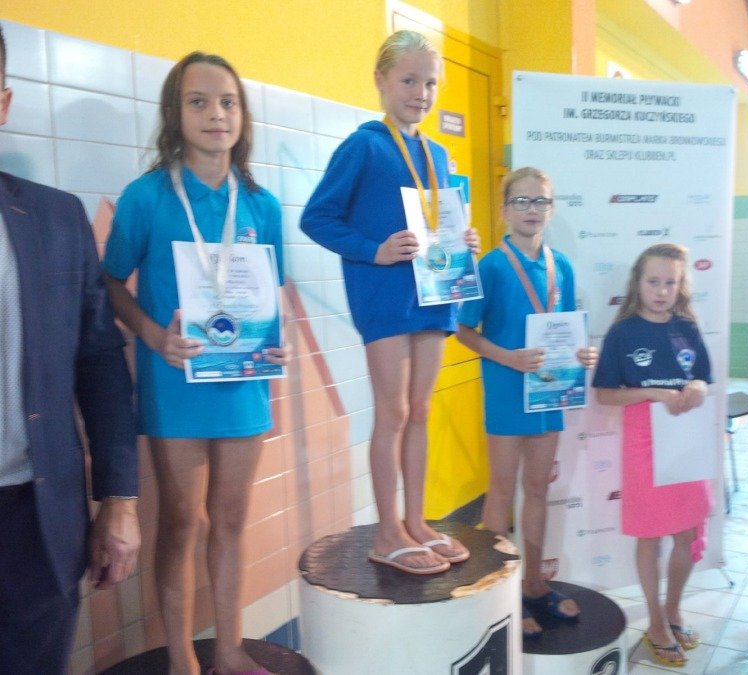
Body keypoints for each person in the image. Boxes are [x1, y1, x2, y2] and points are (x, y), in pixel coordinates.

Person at [103, 52, 288, 675]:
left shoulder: (261, 205)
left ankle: (230, 651)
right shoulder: (146, 197)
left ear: (243, 115)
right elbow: (110, 284)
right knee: (182, 522)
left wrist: (274, 343)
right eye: (199, 101)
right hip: (174, 382)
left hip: (243, 386)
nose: (216, 114)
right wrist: (155, 337)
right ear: (174, 113)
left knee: (231, 523)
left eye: (228, 102)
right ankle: (183, 660)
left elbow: (266, 295)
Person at [301, 30, 479, 575]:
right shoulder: (364, 146)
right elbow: (317, 218)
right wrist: (373, 251)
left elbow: (439, 217)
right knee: (394, 411)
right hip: (385, 295)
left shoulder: (439, 154)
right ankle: (386, 533)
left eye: (430, 83)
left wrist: (464, 241)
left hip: (434, 293)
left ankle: (416, 522)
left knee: (421, 409)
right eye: (408, 80)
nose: (421, 93)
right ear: (380, 80)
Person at [0, 24, 140, 674]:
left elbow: (101, 366)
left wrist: (119, 500)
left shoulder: (57, 220)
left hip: (36, 520)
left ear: (3, 104)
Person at [456, 167, 597, 639]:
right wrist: (508, 358)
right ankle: (494, 593)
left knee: (537, 488)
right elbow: (463, 330)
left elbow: (567, 326)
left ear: (551, 210)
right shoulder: (492, 266)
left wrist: (581, 354)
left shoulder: (562, 266)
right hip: (505, 386)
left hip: (549, 389)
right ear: (504, 210)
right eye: (521, 201)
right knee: (501, 491)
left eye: (540, 201)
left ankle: (534, 584)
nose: (531, 210)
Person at [592, 243, 712, 667]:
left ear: (681, 286)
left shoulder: (687, 328)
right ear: (638, 283)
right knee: (650, 535)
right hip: (643, 439)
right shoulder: (623, 332)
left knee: (688, 534)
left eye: (670, 283)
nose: (661, 291)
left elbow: (704, 379)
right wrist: (654, 393)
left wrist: (697, 387)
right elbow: (605, 393)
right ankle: (656, 622)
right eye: (653, 281)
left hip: (685, 437)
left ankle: (673, 610)